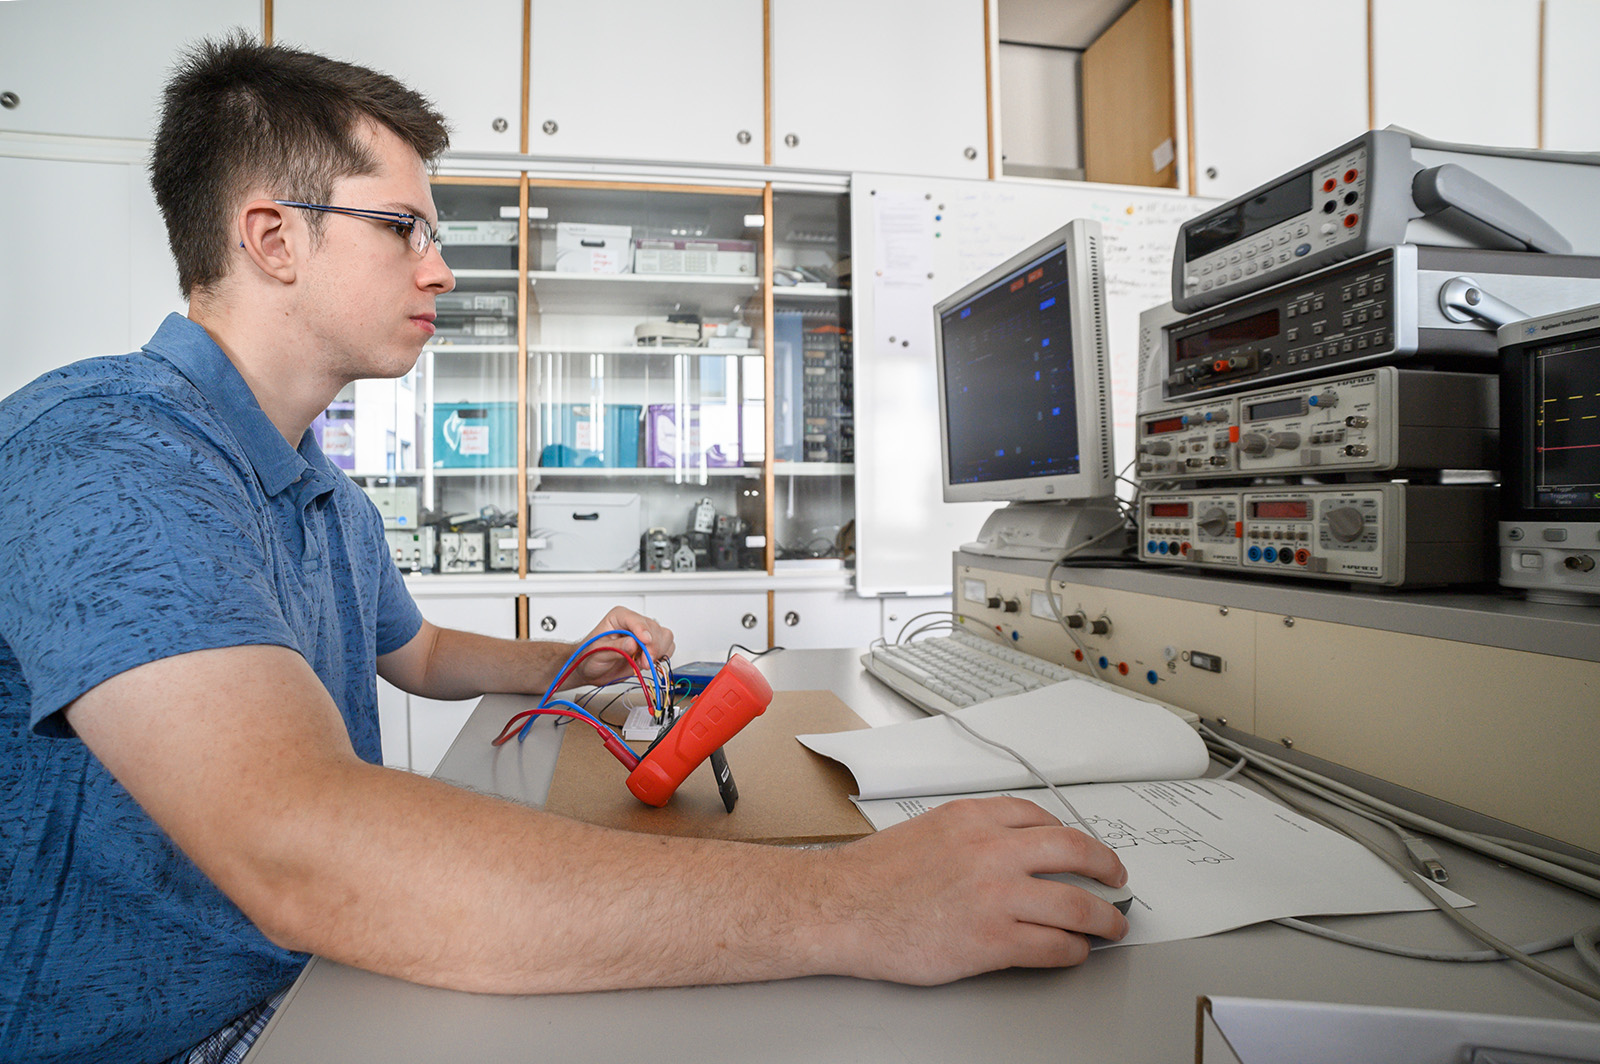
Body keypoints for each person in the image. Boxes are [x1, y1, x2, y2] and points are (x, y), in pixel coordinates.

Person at [0, 35, 1128, 1064]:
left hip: (312, 979)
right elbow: (302, 845)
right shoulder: (109, 450)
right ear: (271, 236)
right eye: (405, 228)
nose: (439, 267)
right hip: (173, 1032)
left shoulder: (323, 497)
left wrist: (559, 661)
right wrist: (859, 901)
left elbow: (415, 647)